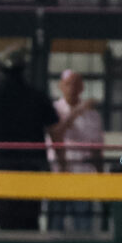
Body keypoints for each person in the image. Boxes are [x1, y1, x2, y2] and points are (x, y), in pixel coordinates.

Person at [0, 46, 68, 231]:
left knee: (6, 222)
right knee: (30, 220)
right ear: (23, 69)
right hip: (32, 169)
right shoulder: (38, 97)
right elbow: (55, 134)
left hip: (0, 168)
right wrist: (63, 165)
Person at [47, 69, 104, 232]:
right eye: (67, 84)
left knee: (84, 225)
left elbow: (96, 148)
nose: (71, 88)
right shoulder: (54, 110)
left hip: (83, 174)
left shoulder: (92, 115)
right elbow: (56, 133)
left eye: (75, 84)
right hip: (58, 173)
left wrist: (100, 176)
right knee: (55, 225)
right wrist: (76, 112)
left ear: (82, 88)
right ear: (60, 86)